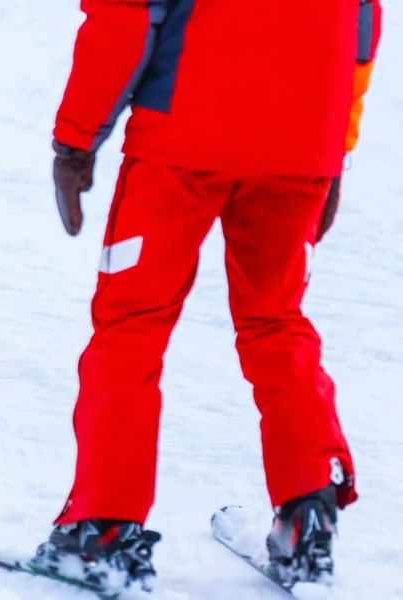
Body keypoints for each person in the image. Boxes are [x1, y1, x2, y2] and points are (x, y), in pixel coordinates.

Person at [31, 0, 383, 592]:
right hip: (299, 152)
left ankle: (104, 531)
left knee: (132, 326)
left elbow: (122, 19)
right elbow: (361, 34)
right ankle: (306, 523)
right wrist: (333, 154)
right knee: (277, 320)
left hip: (179, 147)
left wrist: (75, 143)